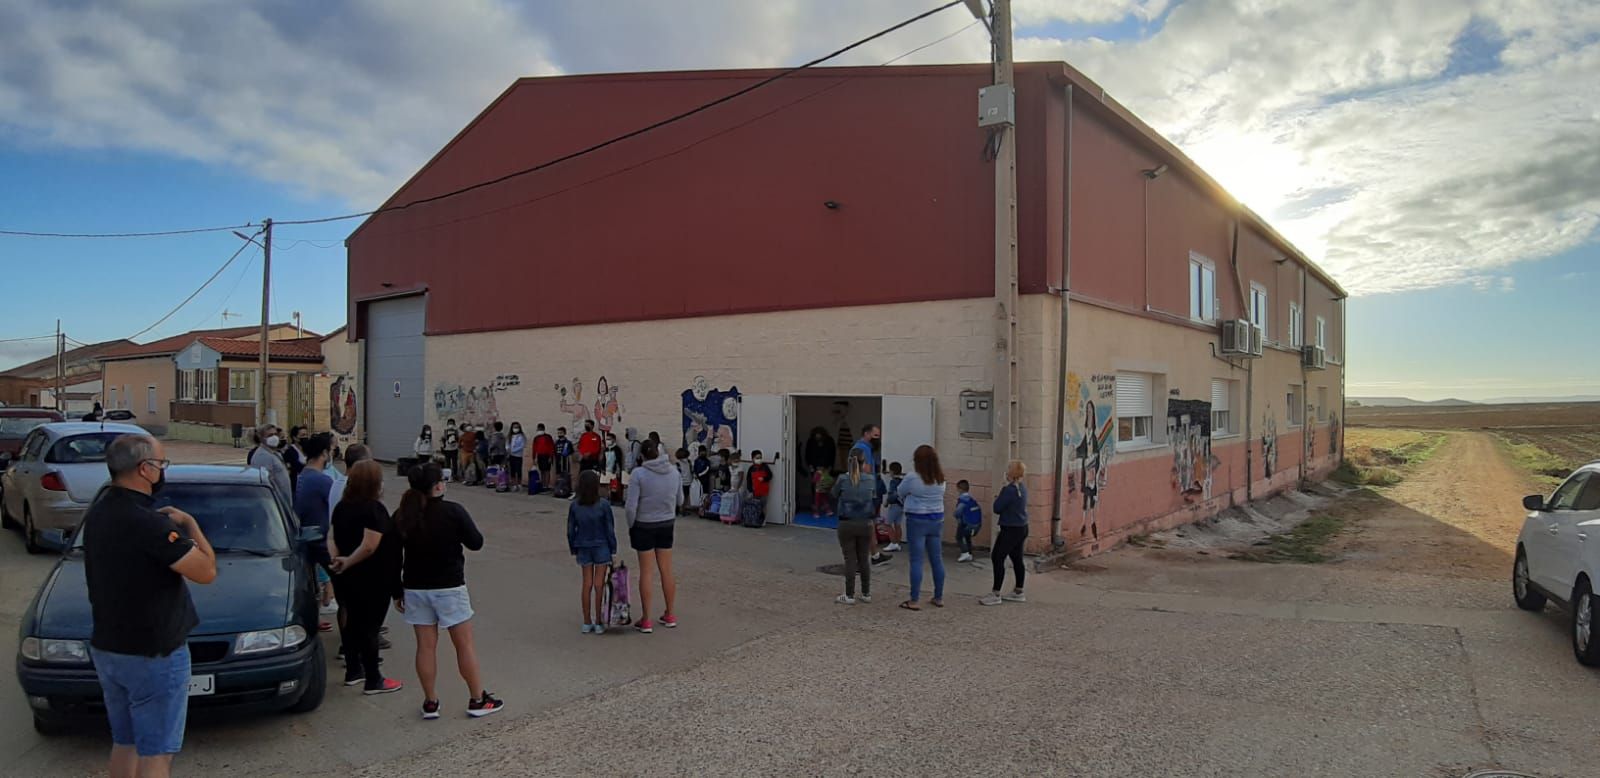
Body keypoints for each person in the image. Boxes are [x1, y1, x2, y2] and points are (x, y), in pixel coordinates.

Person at [83, 434, 217, 778]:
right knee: (156, 753)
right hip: (153, 652)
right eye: (161, 464)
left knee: (125, 742)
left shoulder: (99, 511)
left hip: (109, 646)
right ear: (145, 469)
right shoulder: (149, 523)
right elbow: (206, 571)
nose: (162, 471)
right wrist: (191, 525)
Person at [393, 463, 505, 719]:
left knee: (425, 647)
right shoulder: (452, 512)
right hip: (449, 586)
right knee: (463, 645)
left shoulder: (403, 514)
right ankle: (477, 698)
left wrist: (395, 590)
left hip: (415, 587)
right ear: (437, 486)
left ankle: (430, 702)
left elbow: (391, 554)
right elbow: (476, 542)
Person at [328, 460, 403, 694]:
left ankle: (354, 670)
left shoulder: (342, 506)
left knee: (351, 623)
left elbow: (330, 537)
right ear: (374, 483)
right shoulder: (373, 509)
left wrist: (337, 559)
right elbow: (370, 545)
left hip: (345, 576)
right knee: (369, 627)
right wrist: (349, 560)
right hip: (372, 578)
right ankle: (374, 679)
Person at [625, 439, 681, 633]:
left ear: (641, 455)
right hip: (666, 523)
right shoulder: (674, 471)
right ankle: (670, 613)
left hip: (643, 524)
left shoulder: (638, 474)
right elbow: (679, 499)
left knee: (646, 572)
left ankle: (646, 619)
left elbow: (631, 506)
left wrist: (631, 524)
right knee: (666, 569)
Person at [897, 444, 947, 611]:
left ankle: (914, 599)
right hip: (936, 519)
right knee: (937, 559)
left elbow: (900, 492)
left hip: (917, 519)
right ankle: (938, 597)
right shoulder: (940, 479)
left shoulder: (912, 478)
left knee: (917, 560)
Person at [294, 433, 337, 626]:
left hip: (306, 536)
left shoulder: (303, 476)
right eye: (333, 450)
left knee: (311, 583)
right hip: (320, 539)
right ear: (324, 453)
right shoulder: (322, 481)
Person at [567, 470, 618, 634]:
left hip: (583, 544)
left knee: (586, 584)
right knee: (599, 584)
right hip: (601, 545)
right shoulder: (603, 504)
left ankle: (586, 621)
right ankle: (599, 621)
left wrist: (573, 546)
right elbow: (610, 529)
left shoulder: (575, 505)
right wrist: (613, 548)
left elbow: (570, 530)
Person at [981, 460, 1030, 606]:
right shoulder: (1022, 488)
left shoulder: (1008, 490)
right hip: (1022, 527)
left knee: (997, 557)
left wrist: (998, 497)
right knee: (1017, 558)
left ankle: (996, 593)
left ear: (1011, 473)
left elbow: (997, 507)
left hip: (1010, 528)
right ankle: (1019, 591)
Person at [831, 449, 877, 604]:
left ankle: (849, 594)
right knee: (864, 558)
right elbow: (874, 497)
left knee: (850, 558)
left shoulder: (843, 479)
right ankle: (866, 593)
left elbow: (834, 493)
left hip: (847, 522)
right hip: (866, 523)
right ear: (864, 463)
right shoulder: (870, 480)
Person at [249, 423, 292, 500]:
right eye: (270, 435)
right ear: (262, 438)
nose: (274, 437)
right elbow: (264, 482)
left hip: (283, 500)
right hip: (274, 500)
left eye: (275, 434)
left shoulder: (274, 453)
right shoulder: (262, 456)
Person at [955, 479, 982, 563]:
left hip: (968, 525)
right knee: (967, 537)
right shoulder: (971, 500)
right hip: (977, 525)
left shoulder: (963, 500)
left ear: (959, 489)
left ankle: (965, 552)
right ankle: (969, 553)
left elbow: (957, 513)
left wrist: (957, 518)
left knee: (959, 537)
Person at [883, 462, 906, 552]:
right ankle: (897, 543)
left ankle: (893, 543)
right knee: (897, 525)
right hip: (901, 505)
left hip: (895, 505)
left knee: (888, 524)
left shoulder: (893, 482)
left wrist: (886, 502)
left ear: (892, 471)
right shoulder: (902, 481)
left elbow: (892, 494)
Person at [284, 426, 308, 492]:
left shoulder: (307, 450)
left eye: (306, 435)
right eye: (303, 435)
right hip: (296, 486)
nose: (305, 437)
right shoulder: (290, 452)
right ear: (295, 438)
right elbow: (295, 467)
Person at [532, 424, 556, 489]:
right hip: (540, 456)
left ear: (543, 429)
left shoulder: (548, 437)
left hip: (547, 456)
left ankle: (547, 485)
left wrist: (551, 457)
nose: (539, 430)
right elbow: (534, 449)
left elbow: (552, 447)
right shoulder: (536, 438)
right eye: (538, 429)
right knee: (542, 470)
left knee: (547, 471)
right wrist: (534, 458)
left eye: (540, 429)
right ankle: (543, 485)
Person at [507, 422, 527, 491]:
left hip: (518, 456)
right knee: (512, 470)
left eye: (517, 427)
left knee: (518, 470)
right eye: (514, 427)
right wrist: (508, 449)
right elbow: (507, 444)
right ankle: (513, 484)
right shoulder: (510, 436)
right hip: (511, 456)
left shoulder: (521, 436)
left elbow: (522, 445)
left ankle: (519, 484)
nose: (516, 429)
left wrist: (513, 450)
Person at [674, 448, 694, 515]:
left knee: (680, 497)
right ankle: (683, 510)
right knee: (685, 497)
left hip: (681, 483)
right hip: (687, 482)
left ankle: (679, 510)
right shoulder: (688, 462)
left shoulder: (677, 464)